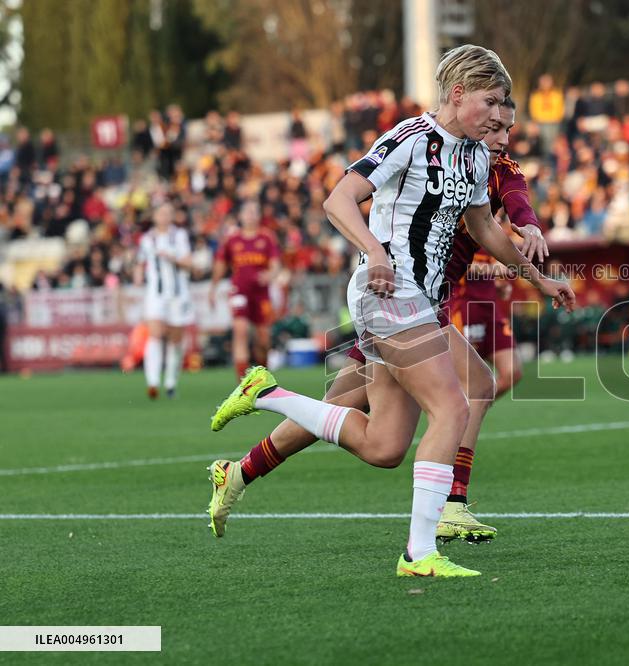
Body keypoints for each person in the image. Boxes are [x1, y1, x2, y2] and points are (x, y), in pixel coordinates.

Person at [207, 45, 574, 578]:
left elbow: (485, 228)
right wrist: (375, 251)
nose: (499, 115)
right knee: (455, 406)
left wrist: (539, 277)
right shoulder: (409, 138)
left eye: (502, 105)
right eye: (491, 102)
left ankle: (267, 395)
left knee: (384, 445)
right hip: (389, 292)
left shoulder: (474, 156)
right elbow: (338, 200)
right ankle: (420, 552)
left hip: (424, 302)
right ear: (458, 94)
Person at [210, 201, 281, 379]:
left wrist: (269, 275)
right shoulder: (232, 239)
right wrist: (213, 287)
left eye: (254, 212)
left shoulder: (267, 237)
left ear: (259, 216)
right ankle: (241, 383)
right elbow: (220, 263)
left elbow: (275, 265)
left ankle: (262, 377)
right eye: (247, 212)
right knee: (240, 330)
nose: (250, 216)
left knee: (263, 339)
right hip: (239, 290)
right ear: (241, 216)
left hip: (261, 293)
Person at [135, 201, 194, 399]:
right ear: (154, 216)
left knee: (175, 339)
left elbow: (188, 263)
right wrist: (137, 276)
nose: (164, 217)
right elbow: (140, 262)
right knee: (155, 333)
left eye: (168, 213)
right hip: (155, 294)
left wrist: (172, 258)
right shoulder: (147, 239)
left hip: (178, 294)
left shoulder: (179, 236)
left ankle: (170, 383)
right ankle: (152, 382)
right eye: (161, 213)